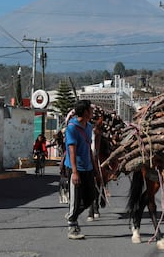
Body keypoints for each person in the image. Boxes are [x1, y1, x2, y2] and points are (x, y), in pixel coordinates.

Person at [64, 100, 100, 240]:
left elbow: (89, 149)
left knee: (91, 197)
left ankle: (71, 215)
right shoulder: (72, 128)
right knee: (76, 199)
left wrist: (95, 167)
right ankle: (72, 227)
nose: (92, 112)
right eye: (90, 110)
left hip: (88, 168)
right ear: (85, 112)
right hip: (76, 168)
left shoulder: (89, 126)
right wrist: (74, 172)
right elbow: (72, 151)